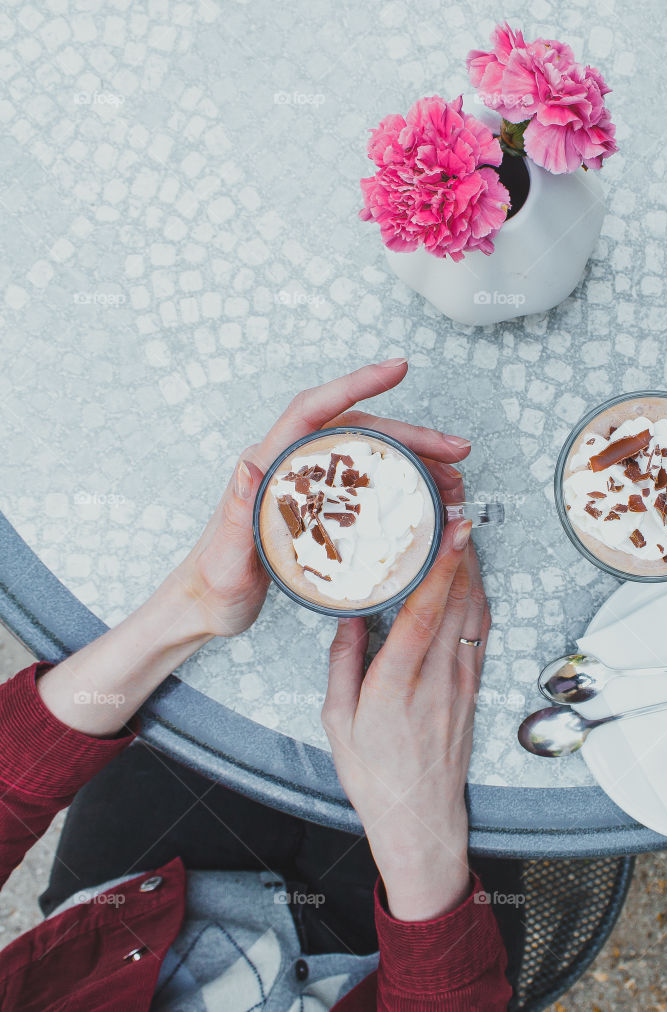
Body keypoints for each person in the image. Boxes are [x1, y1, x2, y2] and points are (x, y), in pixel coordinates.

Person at [0, 359, 519, 1010]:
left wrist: (190, 604)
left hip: (135, 898)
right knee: (491, 726)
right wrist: (418, 833)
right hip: (380, 953)